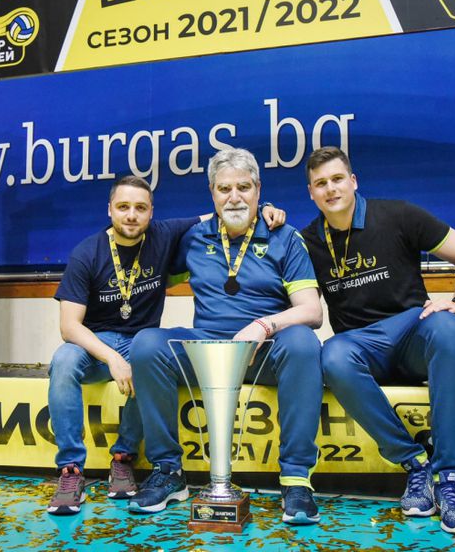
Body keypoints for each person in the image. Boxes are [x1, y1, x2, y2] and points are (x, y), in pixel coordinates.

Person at [46, 175, 285, 515]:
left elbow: (223, 210)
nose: (132, 215)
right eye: (123, 207)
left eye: (140, 208)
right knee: (63, 362)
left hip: (139, 339)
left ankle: (123, 458)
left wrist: (265, 208)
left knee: (148, 356)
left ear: (151, 212)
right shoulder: (87, 252)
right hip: (95, 343)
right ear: (110, 209)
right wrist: (112, 358)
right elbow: (69, 326)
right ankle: (70, 471)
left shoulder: (164, 234)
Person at [128, 148, 325, 524]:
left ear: (258, 190)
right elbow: (149, 271)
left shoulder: (285, 237)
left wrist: (263, 325)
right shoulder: (193, 238)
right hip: (208, 349)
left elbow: (312, 311)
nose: (234, 197)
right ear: (212, 193)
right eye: (224, 189)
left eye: (244, 187)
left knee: (302, 343)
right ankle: (168, 472)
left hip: (264, 351)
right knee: (147, 344)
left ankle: (296, 480)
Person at [300, 147, 455, 535]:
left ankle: (451, 479)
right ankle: (415, 464)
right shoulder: (306, 241)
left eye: (337, 179)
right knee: (332, 354)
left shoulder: (399, 214)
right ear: (311, 193)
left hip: (413, 330)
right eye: (321, 183)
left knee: (448, 327)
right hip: (360, 345)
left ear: (353, 181)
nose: (331, 189)